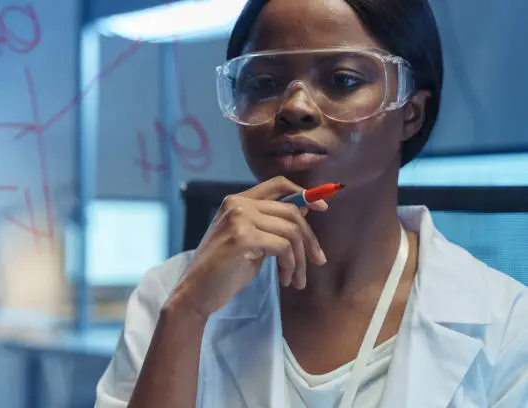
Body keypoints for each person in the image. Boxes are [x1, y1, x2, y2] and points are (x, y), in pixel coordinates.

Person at [95, 0, 528, 407]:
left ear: (410, 113)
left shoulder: (508, 325)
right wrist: (187, 313)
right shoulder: (170, 295)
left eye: (343, 80)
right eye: (264, 83)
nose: (294, 107)